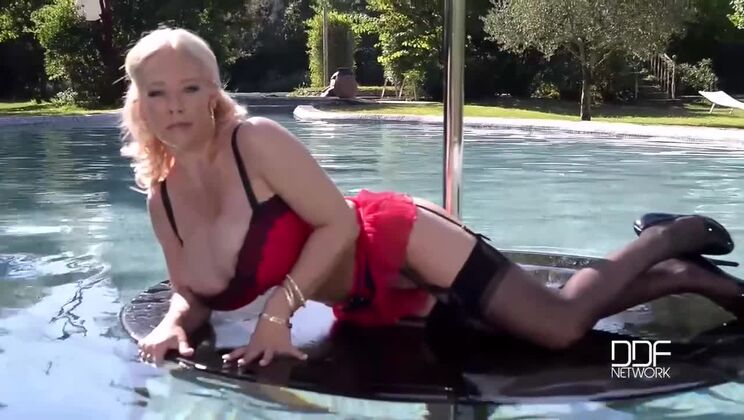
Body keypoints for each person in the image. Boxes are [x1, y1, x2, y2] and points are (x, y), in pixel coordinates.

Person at [124, 28, 744, 368]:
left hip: (400, 241)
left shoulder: (254, 141)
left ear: (213, 92)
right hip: (368, 293)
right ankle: (677, 275)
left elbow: (339, 224)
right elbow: (191, 291)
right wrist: (174, 325)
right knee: (513, 331)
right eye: (158, 93)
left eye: (190, 87)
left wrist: (277, 314)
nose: (175, 105)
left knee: (555, 325)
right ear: (140, 103)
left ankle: (665, 236)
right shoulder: (163, 200)